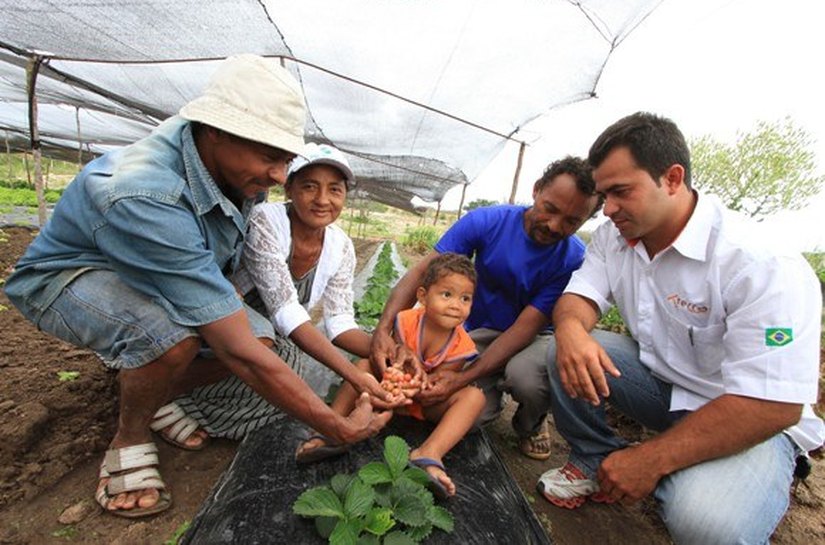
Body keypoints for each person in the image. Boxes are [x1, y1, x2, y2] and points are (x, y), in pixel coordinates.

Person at [3, 54, 392, 519]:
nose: (278, 175)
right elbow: (237, 347)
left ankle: (152, 387)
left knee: (260, 337)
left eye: (285, 159)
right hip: (70, 276)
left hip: (152, 269)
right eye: (271, 159)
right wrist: (335, 426)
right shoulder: (146, 192)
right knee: (175, 337)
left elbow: (254, 333)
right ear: (215, 131)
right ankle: (129, 436)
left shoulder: (237, 171)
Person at [537, 111, 825, 544]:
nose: (607, 209)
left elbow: (774, 406)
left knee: (706, 523)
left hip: (752, 418)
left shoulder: (760, 263)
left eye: (620, 192)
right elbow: (578, 299)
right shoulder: (616, 237)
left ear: (672, 178)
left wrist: (650, 459)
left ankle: (706, 474)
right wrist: (572, 331)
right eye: (603, 195)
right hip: (667, 387)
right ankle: (597, 460)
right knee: (563, 346)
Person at [370, 156, 602, 460]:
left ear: (585, 221)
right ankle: (489, 386)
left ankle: (531, 423)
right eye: (551, 209)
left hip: (533, 337)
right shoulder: (488, 221)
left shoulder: (572, 259)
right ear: (536, 191)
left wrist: (463, 378)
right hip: (478, 329)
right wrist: (384, 328)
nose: (555, 225)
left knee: (527, 379)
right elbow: (422, 274)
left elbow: (525, 327)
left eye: (572, 221)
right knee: (471, 415)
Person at [173, 142, 408, 438]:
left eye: (335, 189)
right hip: (223, 322)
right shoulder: (266, 221)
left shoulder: (341, 247)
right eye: (310, 187)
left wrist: (386, 351)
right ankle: (179, 400)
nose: (323, 200)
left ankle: (207, 406)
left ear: (345, 196)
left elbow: (338, 322)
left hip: (275, 334)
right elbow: (286, 310)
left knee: (292, 383)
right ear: (289, 189)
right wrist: (356, 377)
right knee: (287, 363)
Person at [297, 253, 486, 498]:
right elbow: (390, 362)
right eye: (446, 295)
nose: (455, 305)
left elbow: (440, 385)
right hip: (386, 391)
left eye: (465, 298)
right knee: (364, 364)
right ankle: (334, 425)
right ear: (422, 296)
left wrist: (418, 389)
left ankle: (429, 452)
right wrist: (395, 380)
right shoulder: (405, 321)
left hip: (424, 404)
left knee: (475, 397)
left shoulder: (463, 346)